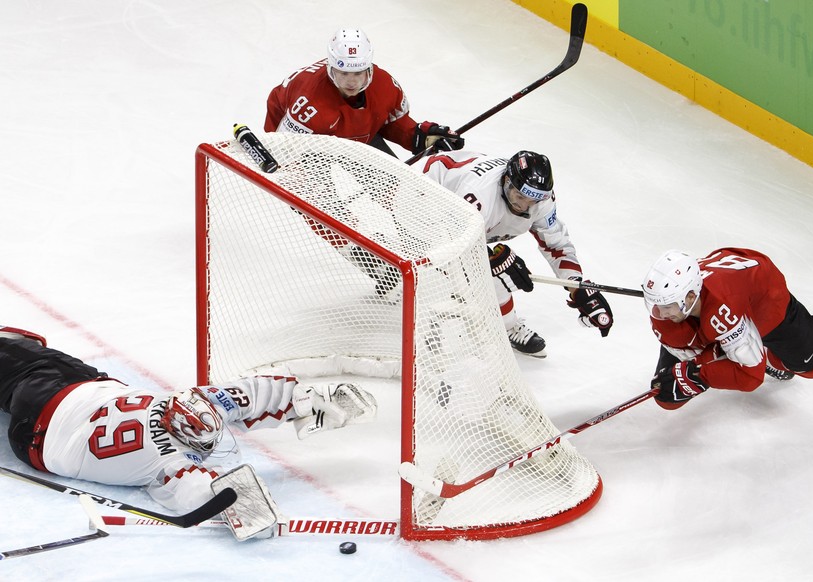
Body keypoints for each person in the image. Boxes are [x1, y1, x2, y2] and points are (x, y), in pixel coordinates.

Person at [0, 326, 377, 539]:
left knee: (26, 354)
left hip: (60, 391)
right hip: (35, 438)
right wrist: (251, 515)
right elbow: (210, 496)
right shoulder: (173, 463)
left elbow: (249, 398)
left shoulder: (187, 405)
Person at [415, 149, 614, 357]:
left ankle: (505, 324)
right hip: (419, 195)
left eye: (532, 201)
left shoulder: (541, 200)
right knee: (486, 274)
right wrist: (494, 260)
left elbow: (556, 244)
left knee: (494, 269)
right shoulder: (479, 195)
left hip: (455, 213)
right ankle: (507, 325)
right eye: (520, 196)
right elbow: (452, 242)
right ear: (507, 181)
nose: (524, 206)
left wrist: (577, 286)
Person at [641, 248, 813, 410]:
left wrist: (700, 375)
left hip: (765, 304)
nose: (661, 314)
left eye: (666, 306)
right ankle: (729, 346)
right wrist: (690, 375)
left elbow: (750, 377)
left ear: (690, 297)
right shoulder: (668, 306)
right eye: (656, 304)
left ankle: (769, 356)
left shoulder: (723, 306)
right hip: (721, 303)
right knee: (667, 397)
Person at [264, 28, 464, 157]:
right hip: (307, 143)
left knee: (395, 185)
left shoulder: (385, 85)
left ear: (369, 67)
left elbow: (390, 123)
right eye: (343, 73)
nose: (351, 82)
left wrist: (420, 137)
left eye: (358, 73)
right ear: (330, 68)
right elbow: (286, 153)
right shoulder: (309, 105)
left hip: (354, 134)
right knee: (324, 207)